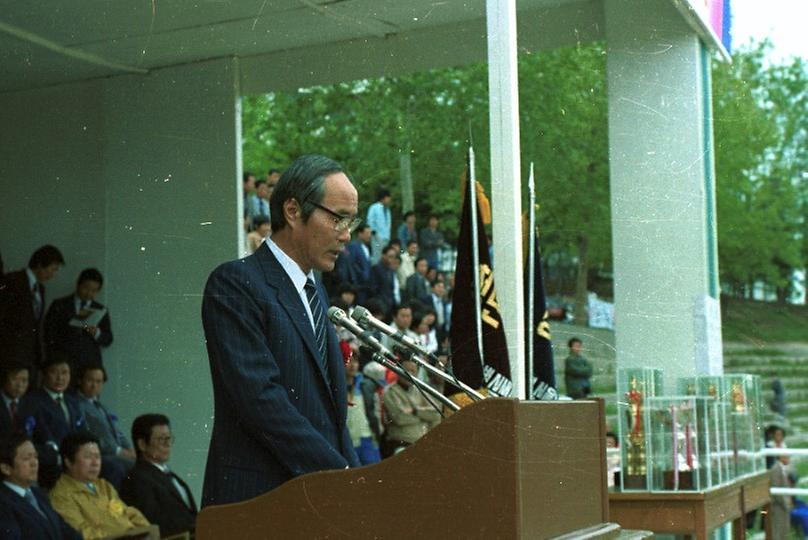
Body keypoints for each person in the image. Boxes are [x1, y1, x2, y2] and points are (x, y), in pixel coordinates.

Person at [201, 154, 361, 506]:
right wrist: (342, 474)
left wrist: (357, 480)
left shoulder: (315, 289)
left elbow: (332, 414)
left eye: (350, 221)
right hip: (258, 501)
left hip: (314, 500)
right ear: (292, 210)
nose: (346, 235)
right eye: (337, 219)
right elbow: (261, 400)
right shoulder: (236, 284)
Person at [48, 431, 152, 540]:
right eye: (88, 457)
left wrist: (146, 532)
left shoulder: (103, 485)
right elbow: (82, 534)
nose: (95, 462)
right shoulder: (61, 496)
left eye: (97, 456)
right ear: (68, 462)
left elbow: (127, 513)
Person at [120, 414, 197, 537]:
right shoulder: (137, 480)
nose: (167, 444)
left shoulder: (171, 475)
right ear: (142, 445)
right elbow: (154, 524)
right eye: (161, 439)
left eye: (169, 438)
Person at [0, 432, 82, 540]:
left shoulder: (38, 494)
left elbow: (65, 529)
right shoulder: (3, 504)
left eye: (35, 456)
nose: (34, 463)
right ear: (6, 468)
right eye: (26, 458)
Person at [0, 245, 65, 373]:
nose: (53, 274)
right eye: (53, 269)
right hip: (9, 355)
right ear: (40, 264)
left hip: (30, 358)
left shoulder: (41, 289)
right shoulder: (12, 280)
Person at [26, 354, 86, 489]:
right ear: (44, 375)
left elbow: (82, 431)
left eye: (65, 373)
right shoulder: (34, 400)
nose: (60, 378)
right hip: (53, 460)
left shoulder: (72, 401)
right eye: (54, 372)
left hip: (75, 458)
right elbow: (42, 434)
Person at [44, 268, 114, 376]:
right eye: (86, 288)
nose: (88, 293)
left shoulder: (101, 309)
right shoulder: (59, 305)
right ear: (78, 284)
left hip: (90, 366)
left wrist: (97, 333)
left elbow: (108, 339)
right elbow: (48, 334)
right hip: (62, 364)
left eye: (94, 291)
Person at [74, 366, 134, 489]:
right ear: (80, 380)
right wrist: (119, 451)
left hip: (116, 452)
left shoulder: (101, 406)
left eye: (98, 381)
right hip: (101, 453)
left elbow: (117, 432)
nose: (94, 385)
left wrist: (129, 448)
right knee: (119, 466)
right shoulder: (76, 404)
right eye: (90, 380)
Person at [381, 358, 441, 458]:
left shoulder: (420, 390)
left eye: (412, 371)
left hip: (423, 443)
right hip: (401, 444)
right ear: (397, 371)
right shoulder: (389, 392)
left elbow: (436, 414)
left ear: (417, 373)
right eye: (405, 370)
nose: (408, 374)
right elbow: (400, 418)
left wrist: (415, 411)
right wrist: (425, 417)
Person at [345, 356, 381, 465]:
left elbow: (375, 410)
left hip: (367, 438)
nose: (352, 365)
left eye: (355, 361)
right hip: (348, 441)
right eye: (348, 361)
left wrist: (377, 430)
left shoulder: (365, 385)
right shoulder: (336, 386)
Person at [366, 188, 392, 264]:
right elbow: (370, 222)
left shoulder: (387, 210)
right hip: (376, 237)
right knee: (377, 256)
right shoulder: (374, 207)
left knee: (385, 258)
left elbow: (388, 225)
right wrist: (374, 234)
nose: (389, 200)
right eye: (388, 198)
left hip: (386, 238)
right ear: (384, 198)